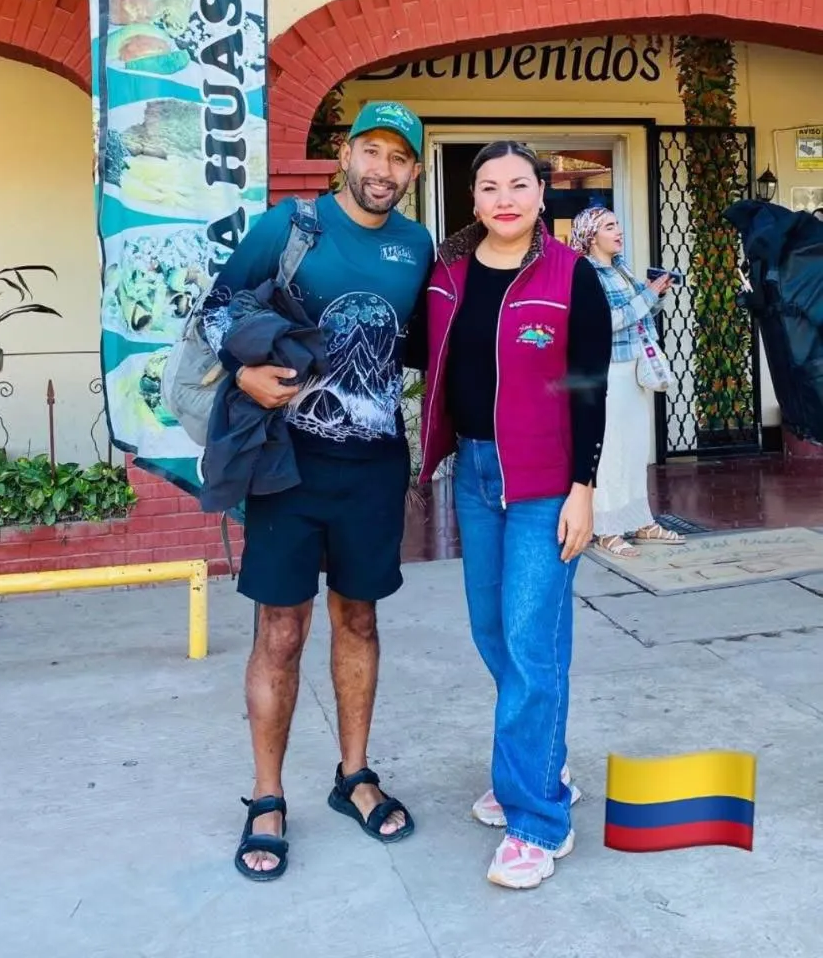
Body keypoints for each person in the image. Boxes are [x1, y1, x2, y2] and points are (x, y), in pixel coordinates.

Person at [207, 100, 434, 881]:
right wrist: (243, 370)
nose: (383, 170)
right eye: (372, 151)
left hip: (373, 467)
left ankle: (354, 775)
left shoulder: (416, 245)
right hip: (287, 465)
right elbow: (214, 308)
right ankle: (267, 796)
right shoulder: (290, 226)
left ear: (413, 170)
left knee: (359, 620)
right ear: (346, 154)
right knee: (281, 630)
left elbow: (424, 340)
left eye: (399, 158)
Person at [419, 141, 611, 890]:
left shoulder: (571, 275)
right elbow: (418, 353)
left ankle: (538, 819)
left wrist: (583, 487)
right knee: (493, 632)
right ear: (473, 199)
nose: (505, 199)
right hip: (475, 474)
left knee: (533, 642)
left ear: (542, 194)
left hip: (544, 483)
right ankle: (537, 760)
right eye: (490, 186)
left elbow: (588, 385)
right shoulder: (445, 274)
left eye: (520, 185)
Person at [569, 206, 684, 558]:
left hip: (634, 366)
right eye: (609, 226)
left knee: (635, 448)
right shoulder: (586, 273)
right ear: (591, 236)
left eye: (617, 224)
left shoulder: (621, 267)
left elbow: (641, 313)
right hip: (611, 370)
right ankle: (605, 528)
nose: (618, 231)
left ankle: (640, 520)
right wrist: (647, 295)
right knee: (610, 451)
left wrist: (656, 294)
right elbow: (606, 321)